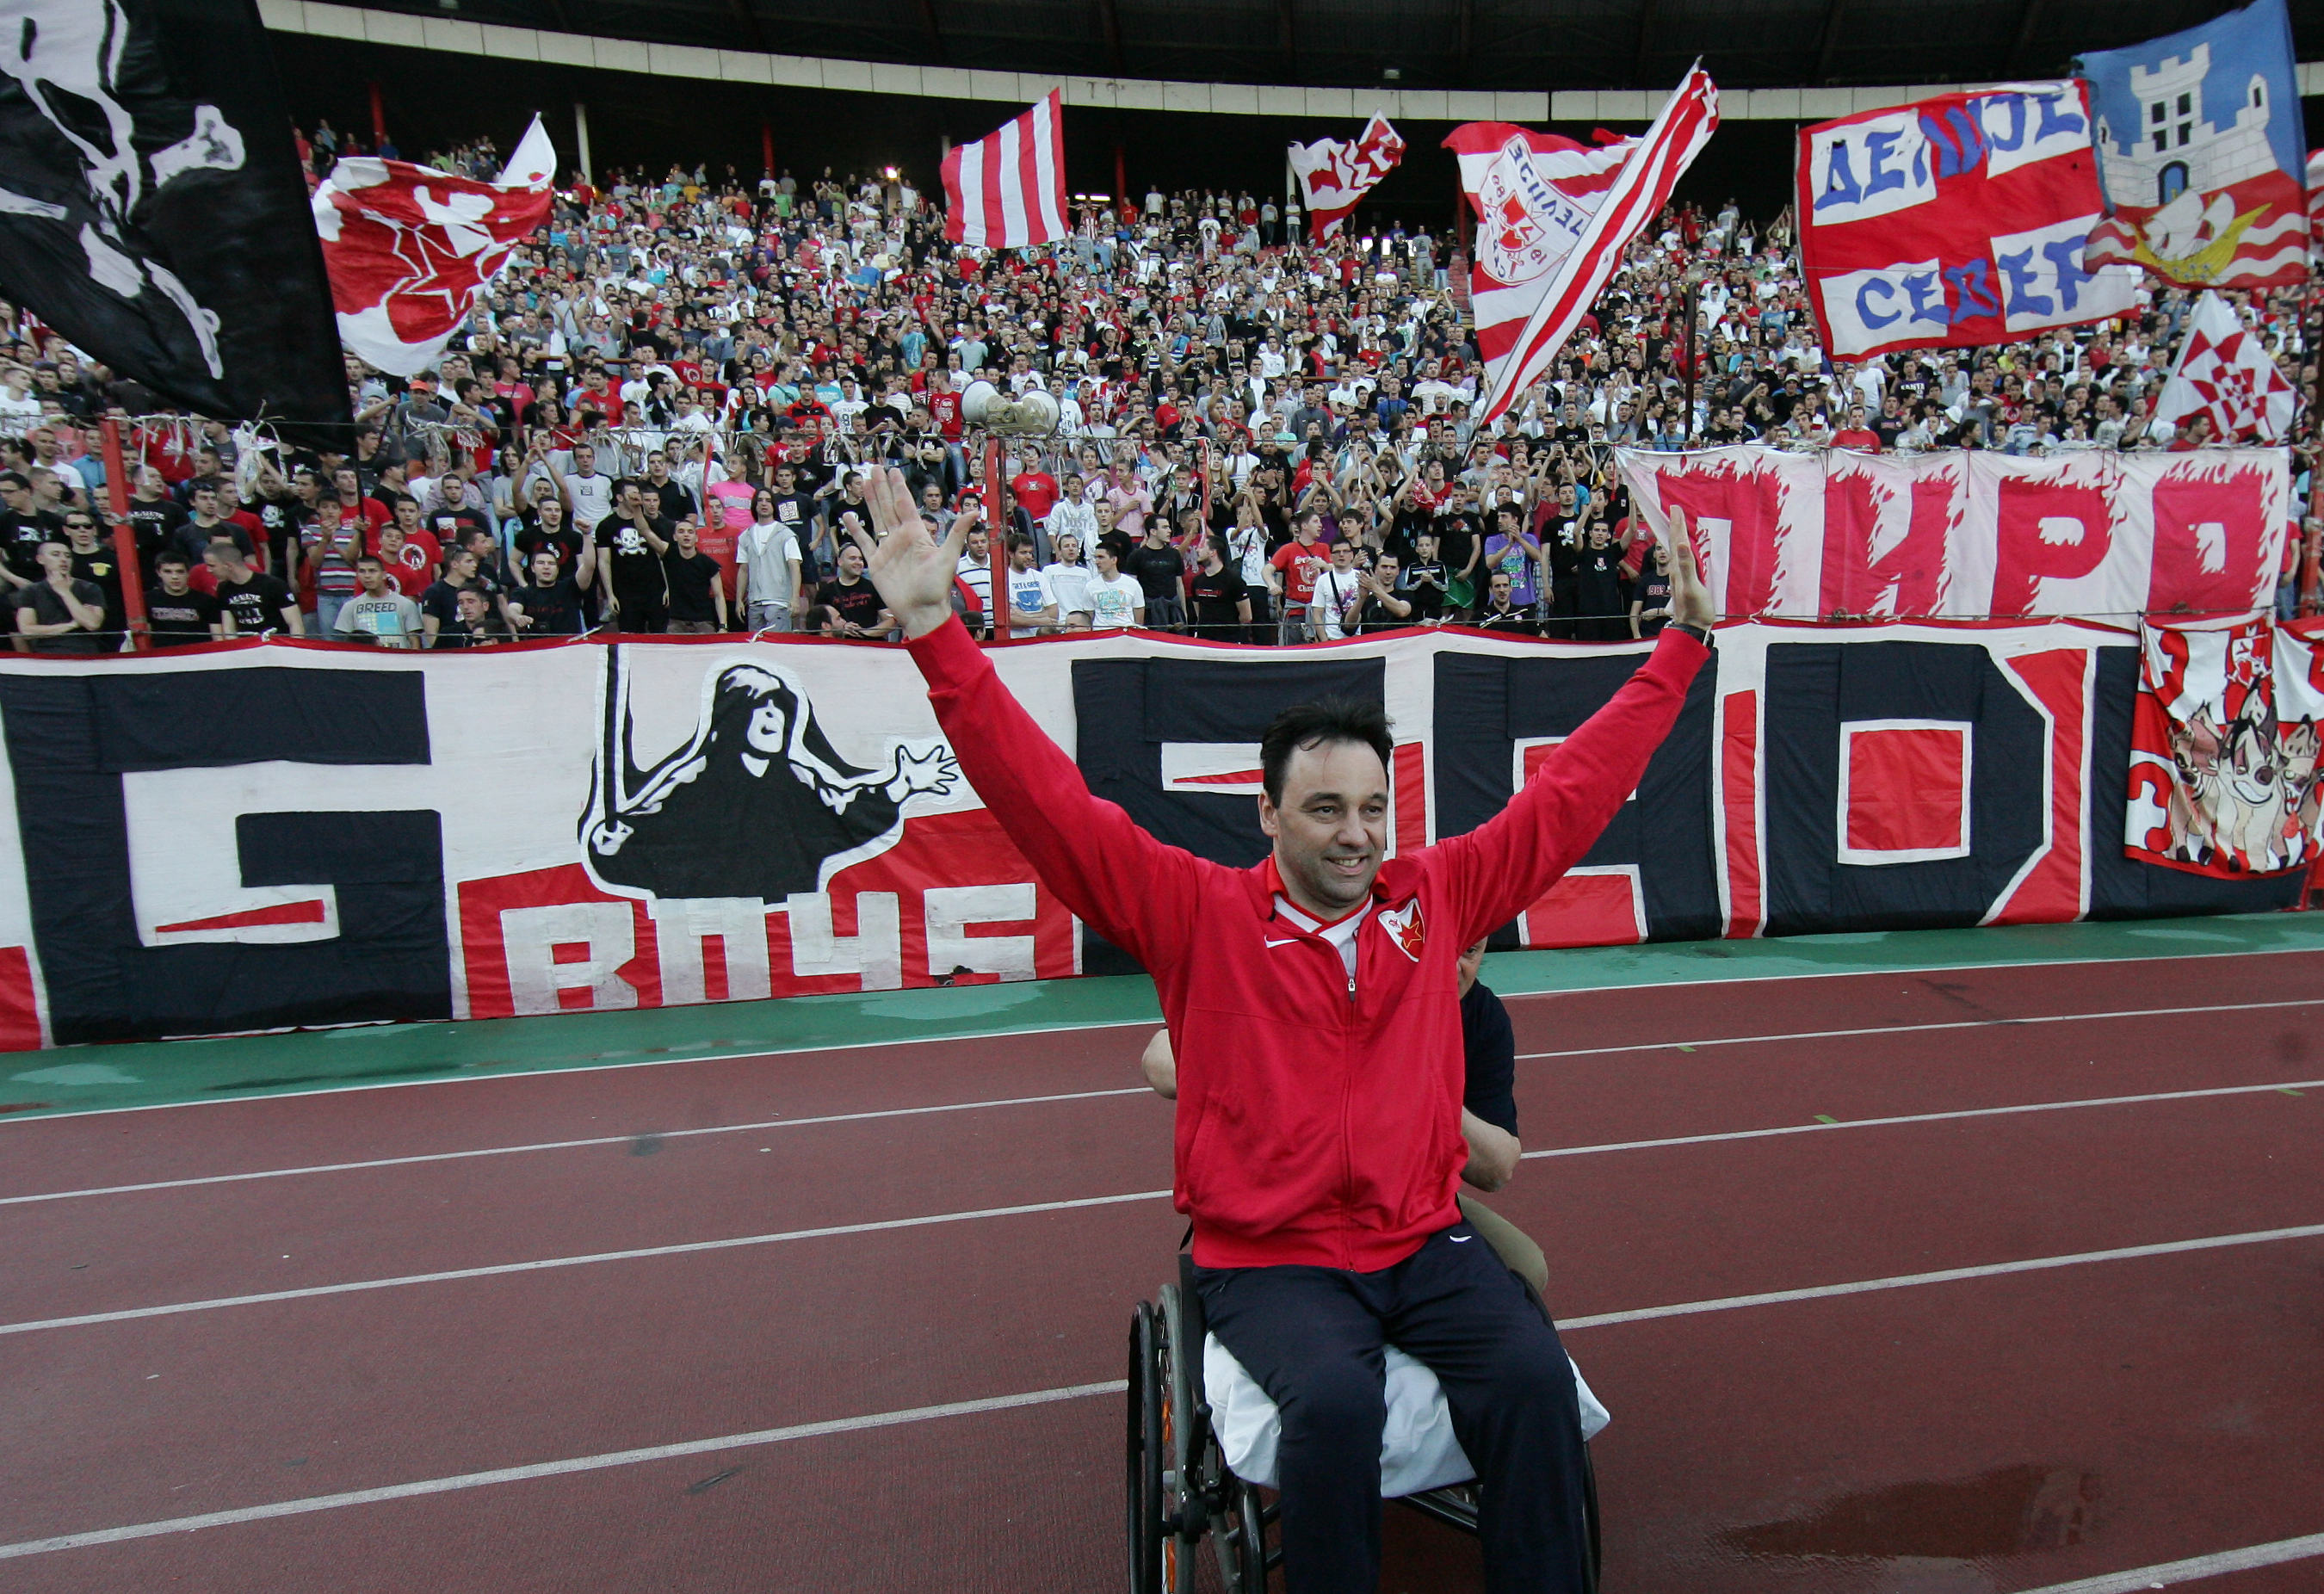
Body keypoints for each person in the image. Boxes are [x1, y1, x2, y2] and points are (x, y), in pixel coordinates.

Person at [846, 466, 1712, 1594]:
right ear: (1268, 813)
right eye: (1323, 809)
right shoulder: (1196, 913)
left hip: (1417, 1237)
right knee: (1338, 1403)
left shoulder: (1435, 896)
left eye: (1370, 807)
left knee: (1535, 1382)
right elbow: (1046, 807)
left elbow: (1574, 793)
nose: (1355, 836)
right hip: (1270, 1255)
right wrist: (933, 631)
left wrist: (1682, 649)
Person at [1137, 936, 1544, 1297]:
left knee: (1526, 1268)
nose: (1454, 966)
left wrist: (1416, 1084)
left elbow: (1498, 1169)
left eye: (1470, 951)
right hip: (1288, 1210)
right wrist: (1289, 1069)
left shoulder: (1481, 1016)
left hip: (1410, 1207)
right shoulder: (1323, 982)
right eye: (1440, 948)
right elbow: (1160, 1061)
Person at [13, 539, 108, 653]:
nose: (63, 560)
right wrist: (71, 625)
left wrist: (65, 592)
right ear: (40, 559)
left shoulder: (89, 588)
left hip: (86, 652)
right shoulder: (31, 591)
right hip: (47, 654)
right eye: (56, 555)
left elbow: (93, 624)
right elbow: (27, 631)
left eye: (68, 556)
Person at [206, 538, 303, 638]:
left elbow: (295, 624)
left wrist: (294, 649)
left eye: (212, 566)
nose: (208, 570)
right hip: (247, 647)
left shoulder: (273, 585)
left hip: (277, 644)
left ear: (228, 566)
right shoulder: (224, 589)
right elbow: (229, 629)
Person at [736, 486, 803, 632]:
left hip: (779, 602)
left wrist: (795, 598)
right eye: (760, 500)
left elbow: (794, 566)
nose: (764, 504)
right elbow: (743, 570)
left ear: (774, 505)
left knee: (778, 648)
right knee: (756, 650)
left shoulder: (785, 534)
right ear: (755, 505)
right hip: (754, 602)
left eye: (768, 500)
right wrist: (739, 600)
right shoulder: (746, 536)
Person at [334, 553, 423, 648]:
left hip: (398, 659)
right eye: (362, 571)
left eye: (372, 571)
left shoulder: (406, 604)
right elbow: (344, 643)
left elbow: (414, 641)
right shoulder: (350, 606)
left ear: (384, 575)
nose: (367, 576)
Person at [143, 552, 226, 648]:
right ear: (158, 573)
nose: (175, 577)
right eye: (168, 572)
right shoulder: (147, 599)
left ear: (188, 573)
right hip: (161, 656)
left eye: (180, 571)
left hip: (198, 656)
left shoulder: (207, 601)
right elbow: (145, 636)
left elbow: (218, 638)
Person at [813, 539, 892, 638]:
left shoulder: (872, 587)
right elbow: (818, 627)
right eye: (852, 558)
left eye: (860, 559)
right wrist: (841, 630)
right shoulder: (826, 591)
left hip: (869, 647)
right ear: (840, 561)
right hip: (838, 647)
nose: (858, 562)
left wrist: (866, 633)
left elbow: (890, 620)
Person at [663, 518, 730, 633]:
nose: (686, 535)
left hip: (703, 621)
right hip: (676, 622)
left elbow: (719, 596)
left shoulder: (708, 563)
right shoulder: (670, 558)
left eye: (690, 532)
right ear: (674, 537)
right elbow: (645, 531)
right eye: (681, 531)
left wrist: (723, 626)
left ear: (696, 538)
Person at [509, 545, 593, 636]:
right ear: (533, 568)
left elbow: (589, 566)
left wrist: (587, 535)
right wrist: (518, 617)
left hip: (569, 646)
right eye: (541, 563)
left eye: (551, 563)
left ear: (557, 569)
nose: (546, 567)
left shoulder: (571, 587)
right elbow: (512, 610)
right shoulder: (523, 592)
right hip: (537, 647)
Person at [1186, 536, 1252, 641]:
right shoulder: (1197, 581)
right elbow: (1199, 613)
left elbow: (1246, 617)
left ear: (1213, 552)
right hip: (1203, 639)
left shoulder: (1234, 580)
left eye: (1202, 547)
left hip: (1228, 641)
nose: (1197, 550)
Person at [1002, 534, 1056, 638]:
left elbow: (1053, 613)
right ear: (1011, 554)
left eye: (1030, 553)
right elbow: (1007, 618)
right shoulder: (1003, 579)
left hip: (1040, 639)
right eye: (1023, 553)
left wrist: (1023, 616)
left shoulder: (1040, 577)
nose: (1028, 557)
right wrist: (1041, 620)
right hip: (1015, 640)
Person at [1084, 541, 1145, 631]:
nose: (1097, 562)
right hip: (1100, 635)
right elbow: (1089, 617)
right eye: (1096, 557)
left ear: (1114, 560)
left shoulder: (1132, 584)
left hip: (1125, 635)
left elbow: (1139, 619)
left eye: (1101, 557)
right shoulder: (1090, 586)